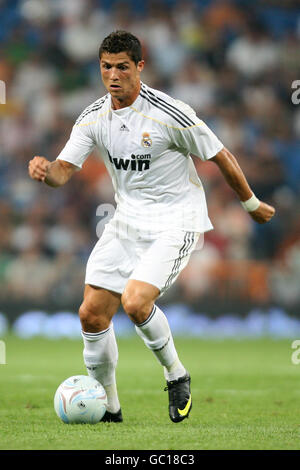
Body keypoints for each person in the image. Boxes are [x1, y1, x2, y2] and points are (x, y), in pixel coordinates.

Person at [28, 30, 275, 423]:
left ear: (139, 67)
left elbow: (220, 154)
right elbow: (64, 171)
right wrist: (46, 172)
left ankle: (176, 374)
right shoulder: (93, 117)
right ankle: (110, 408)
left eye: (122, 67)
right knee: (91, 314)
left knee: (136, 301)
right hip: (126, 221)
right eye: (106, 67)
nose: (113, 75)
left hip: (176, 222)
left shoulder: (168, 113)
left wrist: (251, 203)